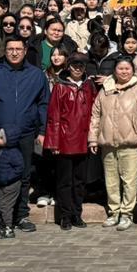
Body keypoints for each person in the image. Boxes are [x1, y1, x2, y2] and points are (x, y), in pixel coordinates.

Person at [0, 36, 50, 236]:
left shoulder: (36, 75)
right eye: (10, 49)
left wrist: (42, 131)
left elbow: (44, 105)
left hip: (25, 133)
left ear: (25, 51)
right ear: (5, 51)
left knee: (24, 175)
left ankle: (20, 215)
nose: (14, 53)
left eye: (18, 49)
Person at [88, 57, 137, 231]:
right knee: (111, 180)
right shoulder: (106, 89)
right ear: (115, 71)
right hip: (108, 143)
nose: (124, 72)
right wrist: (93, 138)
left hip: (130, 143)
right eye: (120, 68)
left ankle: (126, 213)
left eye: (127, 68)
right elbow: (96, 115)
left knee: (129, 180)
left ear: (132, 70)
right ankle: (114, 212)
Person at [44, 52, 97, 230]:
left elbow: (95, 113)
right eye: (74, 65)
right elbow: (54, 116)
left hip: (84, 139)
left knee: (80, 181)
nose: (77, 69)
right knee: (65, 181)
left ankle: (76, 214)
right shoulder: (60, 87)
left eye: (81, 66)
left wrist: (93, 138)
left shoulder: (89, 86)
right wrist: (54, 143)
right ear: (69, 67)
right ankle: (65, 216)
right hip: (65, 141)